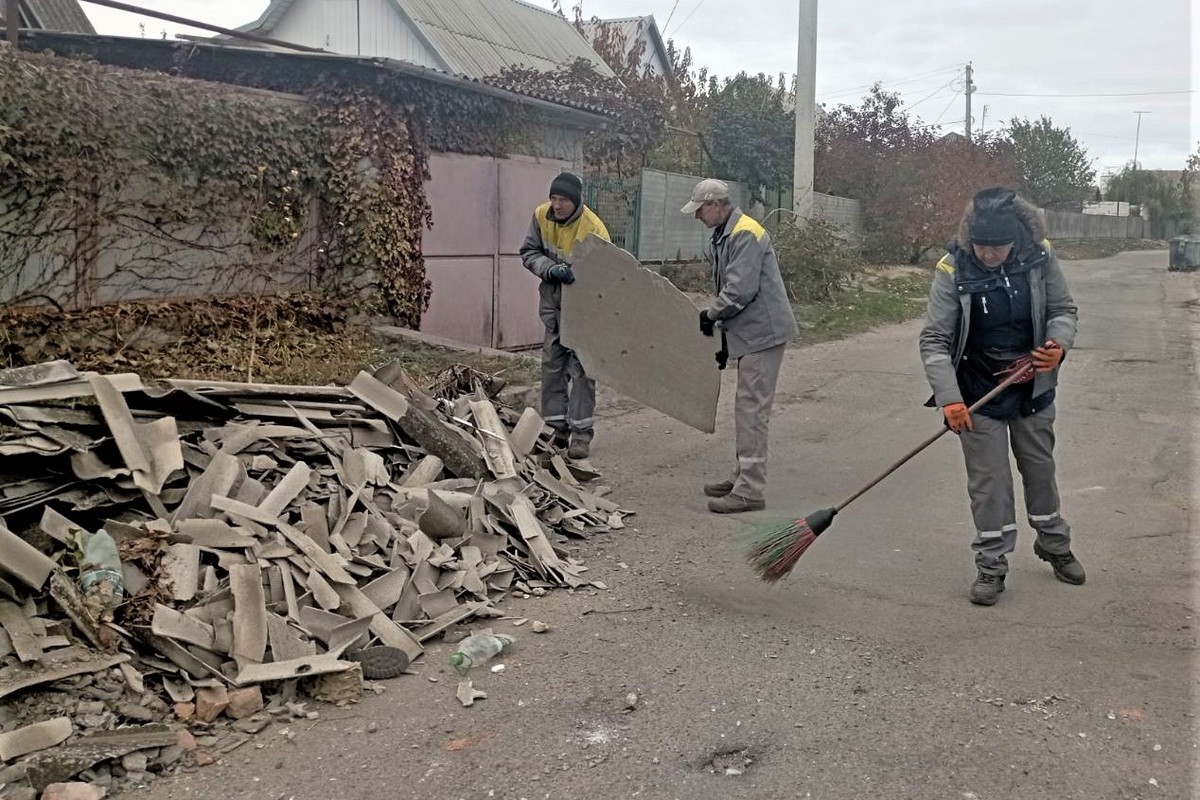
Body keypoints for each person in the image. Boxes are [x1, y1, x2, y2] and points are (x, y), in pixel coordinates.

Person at [919, 187, 1083, 606]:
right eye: (982, 247)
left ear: (1016, 239)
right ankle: (991, 565)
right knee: (990, 485)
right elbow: (935, 339)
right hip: (976, 391)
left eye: (999, 247)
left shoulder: (1040, 257)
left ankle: (1054, 543)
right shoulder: (952, 267)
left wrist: (1057, 346)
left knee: (1040, 471)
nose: (990, 255)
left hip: (1032, 387)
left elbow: (1063, 310)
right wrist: (949, 399)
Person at [682, 178, 798, 514]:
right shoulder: (724, 234)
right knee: (745, 408)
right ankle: (742, 475)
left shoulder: (746, 233)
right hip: (751, 332)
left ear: (716, 204)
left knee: (751, 410)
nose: (697, 216)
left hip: (764, 333)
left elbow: (739, 291)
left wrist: (711, 315)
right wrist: (723, 337)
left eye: (700, 209)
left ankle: (750, 489)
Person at [519, 172, 610, 460]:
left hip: (584, 313)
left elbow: (605, 280)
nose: (556, 206)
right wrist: (549, 268)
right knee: (552, 369)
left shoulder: (594, 229)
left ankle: (581, 434)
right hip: (554, 310)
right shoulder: (541, 216)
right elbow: (529, 252)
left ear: (576, 201)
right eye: (553, 198)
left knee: (582, 372)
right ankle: (556, 430)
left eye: (563, 200)